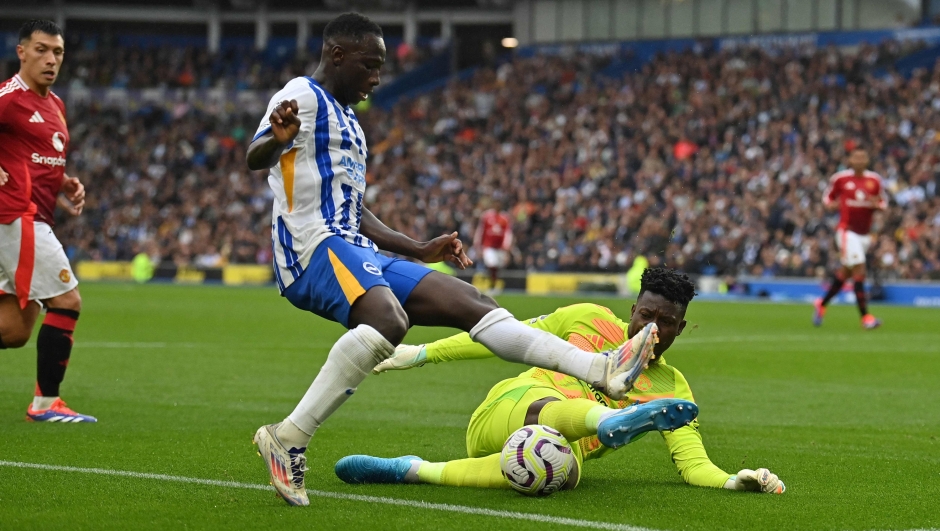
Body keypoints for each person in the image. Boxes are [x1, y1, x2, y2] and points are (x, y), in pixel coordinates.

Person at [245, 12, 657, 506]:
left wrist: (418, 248)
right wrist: (278, 138)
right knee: (387, 320)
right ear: (337, 55)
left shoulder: (351, 121)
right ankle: (289, 437)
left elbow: (353, 208)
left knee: (470, 301)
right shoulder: (303, 96)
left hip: (351, 246)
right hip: (311, 248)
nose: (377, 77)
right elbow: (257, 156)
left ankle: (600, 369)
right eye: (369, 65)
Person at [336, 268, 785, 495]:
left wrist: (731, 481)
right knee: (545, 409)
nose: (653, 329)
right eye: (646, 315)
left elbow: (692, 465)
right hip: (507, 410)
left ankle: (408, 470)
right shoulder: (586, 318)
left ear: (679, 329)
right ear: (632, 310)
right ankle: (606, 422)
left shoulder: (673, 388)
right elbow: (501, 332)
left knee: (551, 463)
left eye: (666, 323)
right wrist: (421, 353)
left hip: (548, 454)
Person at [0, 20, 93, 423]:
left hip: (34, 214)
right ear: (22, 52)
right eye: (41, 49)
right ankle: (45, 404)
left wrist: (63, 184)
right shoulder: (8, 98)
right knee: (67, 300)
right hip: (16, 217)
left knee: (15, 330)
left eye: (57, 52)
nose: (51, 59)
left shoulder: (56, 106)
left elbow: (36, 160)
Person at [814, 148, 886, 329]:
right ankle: (865, 318)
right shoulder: (840, 179)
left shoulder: (874, 180)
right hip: (847, 231)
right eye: (856, 157)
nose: (860, 160)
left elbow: (883, 202)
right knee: (860, 269)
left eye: (863, 156)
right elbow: (827, 198)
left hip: (865, 235)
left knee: (845, 273)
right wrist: (831, 205)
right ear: (850, 160)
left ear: (867, 160)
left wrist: (876, 205)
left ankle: (821, 304)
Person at [473, 203, 512, 294]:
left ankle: (495, 283)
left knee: (498, 266)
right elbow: (481, 230)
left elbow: (508, 233)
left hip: (500, 247)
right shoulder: (486, 216)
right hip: (488, 246)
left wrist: (506, 247)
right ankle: (492, 284)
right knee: (491, 264)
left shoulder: (505, 217)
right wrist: (478, 245)